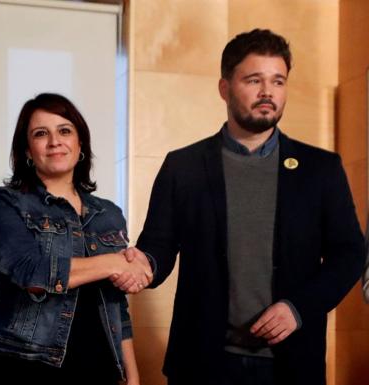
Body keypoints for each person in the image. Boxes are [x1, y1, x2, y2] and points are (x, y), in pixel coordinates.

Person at [127, 29, 365, 385]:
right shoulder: (183, 166)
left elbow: (349, 254)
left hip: (292, 363)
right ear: (225, 88)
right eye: (254, 80)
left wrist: (298, 309)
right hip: (202, 363)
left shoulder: (322, 169)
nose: (268, 92)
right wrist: (141, 264)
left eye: (278, 81)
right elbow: (157, 249)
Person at [0, 93, 150, 385]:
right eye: (41, 134)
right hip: (21, 367)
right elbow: (31, 271)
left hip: (97, 368)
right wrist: (114, 263)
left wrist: (132, 375)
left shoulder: (109, 214)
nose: (55, 141)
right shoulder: (6, 203)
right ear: (27, 150)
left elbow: (116, 304)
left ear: (80, 144)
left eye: (65, 131)